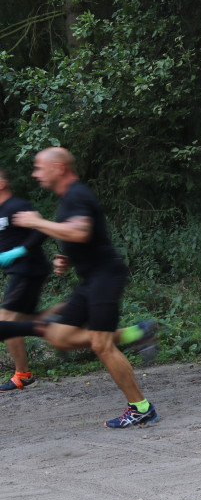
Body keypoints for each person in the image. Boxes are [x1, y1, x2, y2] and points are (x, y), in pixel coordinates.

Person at [12, 148, 160, 427]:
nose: (35, 174)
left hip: (105, 277)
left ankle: (141, 408)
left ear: (59, 168)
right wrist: (68, 257)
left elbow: (80, 230)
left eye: (39, 168)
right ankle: (137, 332)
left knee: (101, 345)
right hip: (91, 279)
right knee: (58, 335)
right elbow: (85, 237)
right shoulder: (68, 199)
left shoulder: (77, 195)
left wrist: (37, 223)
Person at [0, 168, 50, 391]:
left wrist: (18, 251)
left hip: (28, 269)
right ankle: (75, 310)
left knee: (6, 322)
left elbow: (41, 230)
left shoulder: (16, 206)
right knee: (30, 319)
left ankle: (23, 374)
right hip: (19, 271)